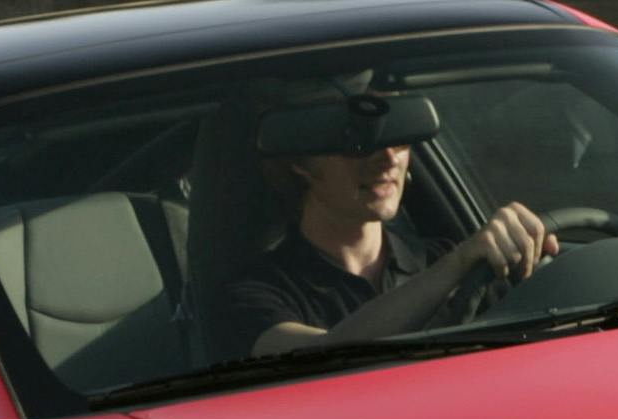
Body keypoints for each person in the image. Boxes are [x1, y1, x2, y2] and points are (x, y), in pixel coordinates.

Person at [225, 129, 558, 357]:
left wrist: (543, 266)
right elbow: (326, 354)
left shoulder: (443, 259)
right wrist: (456, 265)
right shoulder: (256, 292)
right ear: (300, 162)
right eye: (359, 143)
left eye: (399, 138)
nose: (388, 158)